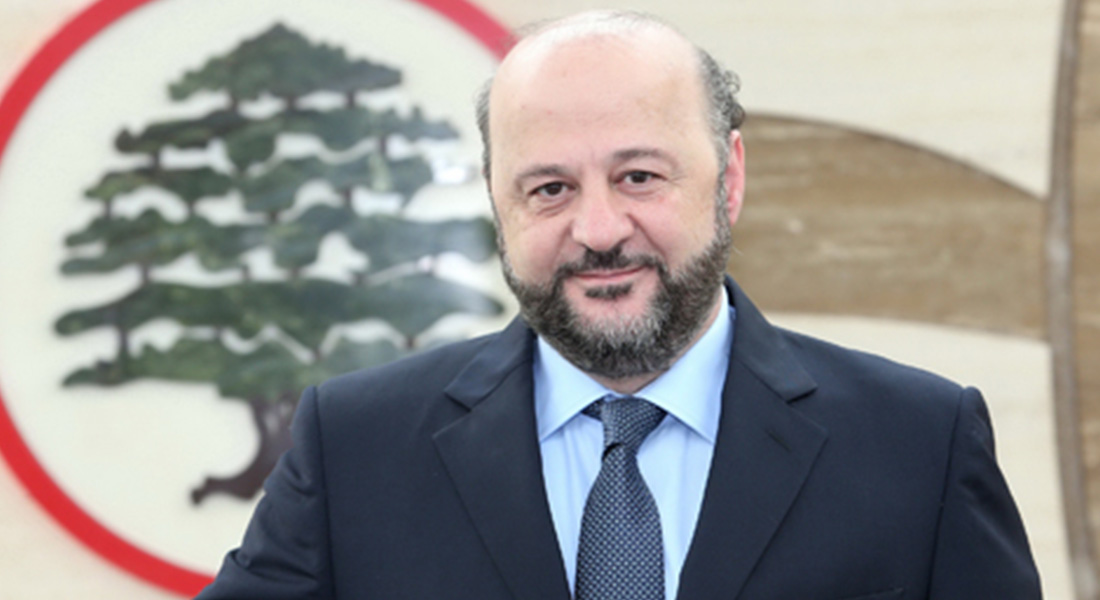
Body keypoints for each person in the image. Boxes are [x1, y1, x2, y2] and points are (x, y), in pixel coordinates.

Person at [196, 10, 1041, 600]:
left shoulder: (919, 445)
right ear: (496, 201)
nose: (598, 231)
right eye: (549, 188)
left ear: (729, 179)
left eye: (639, 176)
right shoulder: (355, 448)